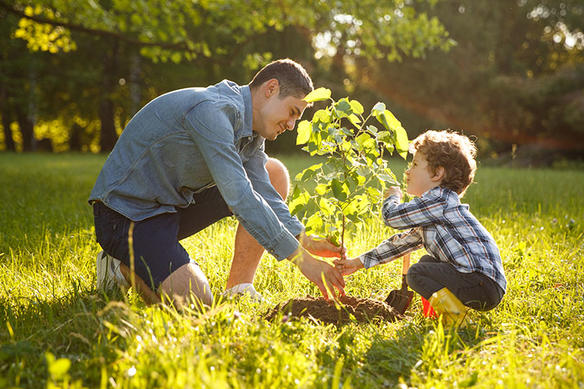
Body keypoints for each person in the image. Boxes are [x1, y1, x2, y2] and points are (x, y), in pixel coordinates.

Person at [89, 59, 345, 308]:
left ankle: (238, 289)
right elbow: (241, 197)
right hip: (126, 215)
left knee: (273, 173)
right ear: (271, 89)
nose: (291, 125)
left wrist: (303, 239)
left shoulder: (252, 131)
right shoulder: (212, 111)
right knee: (196, 304)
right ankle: (118, 267)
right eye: (292, 113)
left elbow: (264, 191)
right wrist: (303, 261)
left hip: (171, 206)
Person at [335, 130, 506, 325]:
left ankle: (457, 320)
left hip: (480, 282)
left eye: (415, 164)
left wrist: (393, 198)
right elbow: (400, 244)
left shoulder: (439, 199)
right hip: (484, 283)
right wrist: (358, 262)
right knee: (427, 262)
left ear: (437, 173)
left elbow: (392, 217)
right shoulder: (435, 210)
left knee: (416, 274)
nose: (408, 171)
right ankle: (440, 315)